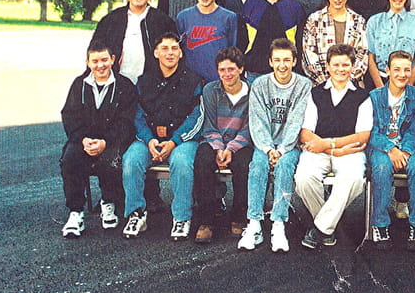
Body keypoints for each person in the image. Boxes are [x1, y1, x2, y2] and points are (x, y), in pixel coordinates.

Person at [89, 0, 175, 211]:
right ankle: (112, 196)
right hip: (119, 90)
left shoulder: (161, 20)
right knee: (119, 139)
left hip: (151, 89)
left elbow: (172, 54)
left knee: (149, 138)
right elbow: (96, 52)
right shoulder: (111, 20)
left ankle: (151, 195)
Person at [121, 32, 203, 241]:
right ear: (156, 53)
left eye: (174, 48)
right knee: (131, 160)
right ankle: (136, 213)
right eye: (164, 49)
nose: (170, 53)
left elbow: (196, 117)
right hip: (150, 139)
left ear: (181, 53)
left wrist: (174, 142)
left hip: (182, 140)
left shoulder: (193, 80)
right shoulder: (144, 81)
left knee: (182, 163)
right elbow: (137, 115)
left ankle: (182, 217)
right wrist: (149, 140)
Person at [295, 44, 373, 249]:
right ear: (328, 67)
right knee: (304, 179)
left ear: (353, 66)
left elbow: (362, 135)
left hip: (349, 151)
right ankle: (329, 224)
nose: (341, 69)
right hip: (318, 149)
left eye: (345, 65)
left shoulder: (362, 97)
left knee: (354, 179)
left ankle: (320, 227)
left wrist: (332, 145)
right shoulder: (315, 94)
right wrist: (330, 149)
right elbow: (305, 132)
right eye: (336, 64)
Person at [238, 38, 312, 252]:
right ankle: (254, 223)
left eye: (287, 60)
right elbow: (257, 121)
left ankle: (278, 224)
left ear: (294, 61)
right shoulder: (260, 85)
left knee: (285, 166)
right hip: (265, 144)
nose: (282, 65)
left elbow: (297, 120)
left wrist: (281, 150)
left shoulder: (303, 85)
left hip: (290, 145)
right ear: (270, 62)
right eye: (277, 60)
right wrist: (268, 148)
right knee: (257, 166)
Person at [60, 41, 138, 238]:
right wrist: (83, 139)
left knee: (111, 161)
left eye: (104, 60)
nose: (100, 65)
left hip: (112, 140)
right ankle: (76, 212)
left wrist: (106, 142)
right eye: (95, 61)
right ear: (88, 62)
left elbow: (127, 121)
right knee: (69, 159)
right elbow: (69, 115)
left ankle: (108, 202)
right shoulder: (79, 84)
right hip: (84, 140)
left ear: (113, 60)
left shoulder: (124, 86)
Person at [368, 51, 415, 251]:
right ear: (387, 71)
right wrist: (390, 148)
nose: (402, 74)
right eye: (397, 69)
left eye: (406, 70)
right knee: (382, 167)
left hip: (407, 148)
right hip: (381, 147)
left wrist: (406, 151)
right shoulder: (374, 96)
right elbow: (370, 131)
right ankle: (380, 223)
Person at [193, 46, 252, 243]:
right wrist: (219, 149)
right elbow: (209, 125)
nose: (227, 74)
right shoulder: (210, 90)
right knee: (202, 161)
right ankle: (206, 220)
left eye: (231, 69)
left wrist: (231, 149)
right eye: (222, 70)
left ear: (241, 69)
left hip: (241, 142)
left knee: (244, 165)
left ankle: (239, 216)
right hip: (214, 140)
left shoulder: (252, 92)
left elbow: (250, 127)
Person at [89, 0, 176, 84]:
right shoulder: (111, 20)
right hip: (118, 85)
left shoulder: (163, 21)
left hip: (151, 86)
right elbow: (94, 53)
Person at [241, 0, 306, 81]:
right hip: (255, 71)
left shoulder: (295, 8)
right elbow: (242, 41)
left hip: (286, 72)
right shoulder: (250, 7)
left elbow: (300, 42)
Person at [176, 0, 241, 84]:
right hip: (190, 83)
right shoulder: (183, 17)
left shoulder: (229, 18)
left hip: (218, 82)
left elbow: (232, 51)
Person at [301, 0, 368, 85]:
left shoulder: (358, 21)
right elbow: (309, 54)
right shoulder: (315, 19)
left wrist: (347, 81)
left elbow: (363, 54)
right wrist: (327, 83)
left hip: (351, 85)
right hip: (321, 84)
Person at [366, 0, 415, 89]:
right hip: (380, 81)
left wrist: (407, 87)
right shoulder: (374, 22)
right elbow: (370, 57)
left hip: (408, 82)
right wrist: (381, 89)